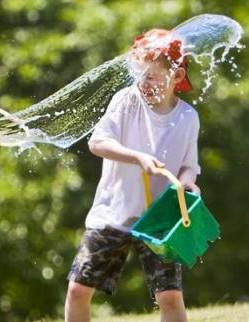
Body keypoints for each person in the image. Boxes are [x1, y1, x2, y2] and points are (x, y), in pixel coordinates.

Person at [65, 29, 201, 322]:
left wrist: (189, 183)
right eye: (140, 73)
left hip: (161, 218)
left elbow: (189, 166)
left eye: (151, 75)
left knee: (169, 296)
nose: (143, 82)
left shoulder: (187, 117)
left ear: (176, 77)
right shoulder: (126, 101)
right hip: (113, 211)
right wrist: (138, 157)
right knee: (78, 289)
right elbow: (97, 143)